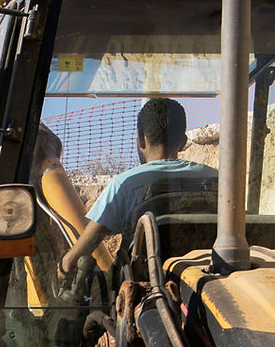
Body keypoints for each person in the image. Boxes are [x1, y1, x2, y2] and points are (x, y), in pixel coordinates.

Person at [59, 97, 217, 275]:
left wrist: (64, 264)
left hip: (148, 290)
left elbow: (80, 253)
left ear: (141, 138)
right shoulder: (216, 179)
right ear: (182, 142)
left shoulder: (126, 184)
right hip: (210, 280)